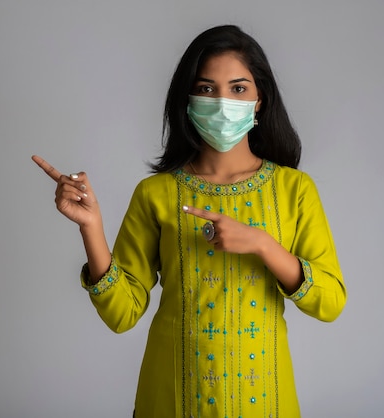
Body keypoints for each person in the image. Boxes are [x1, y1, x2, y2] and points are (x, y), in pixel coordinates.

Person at [33, 24, 346, 418]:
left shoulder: (294, 189)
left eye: (237, 89)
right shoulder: (157, 194)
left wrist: (263, 245)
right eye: (206, 89)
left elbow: (330, 302)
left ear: (260, 99)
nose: (221, 102)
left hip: (265, 400)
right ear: (187, 99)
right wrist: (91, 228)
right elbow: (121, 314)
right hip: (173, 398)